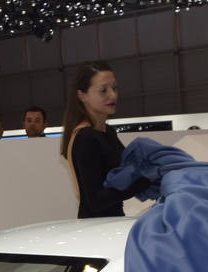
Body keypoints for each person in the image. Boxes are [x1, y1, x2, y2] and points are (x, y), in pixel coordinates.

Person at [61, 61, 153, 219]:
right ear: (82, 95)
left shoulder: (107, 131)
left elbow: (127, 170)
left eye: (114, 87)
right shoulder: (87, 138)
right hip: (97, 227)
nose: (113, 95)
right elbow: (95, 201)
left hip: (111, 222)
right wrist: (147, 180)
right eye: (103, 90)